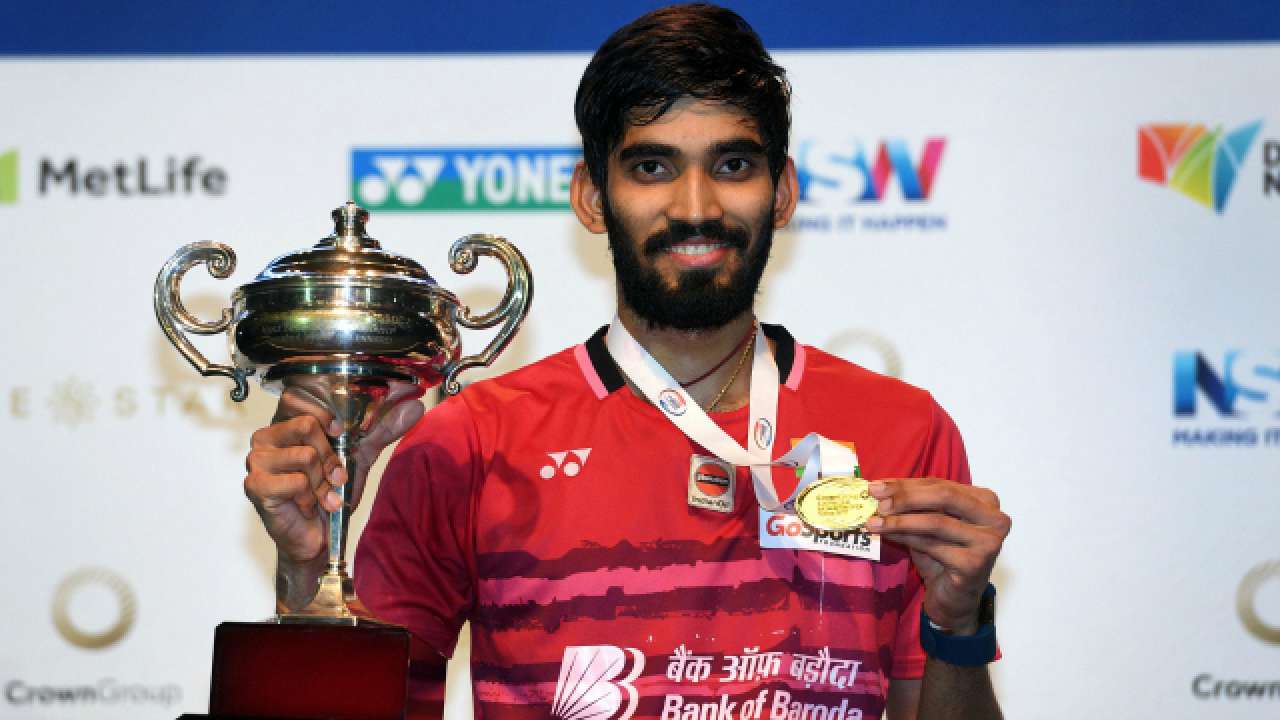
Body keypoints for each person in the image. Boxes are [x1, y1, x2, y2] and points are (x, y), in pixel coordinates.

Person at [244, 4, 1010, 719]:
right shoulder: (470, 441)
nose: (696, 206)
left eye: (734, 165)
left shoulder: (905, 431)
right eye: (652, 168)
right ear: (590, 196)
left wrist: (959, 623)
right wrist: (309, 576)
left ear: (782, 192)